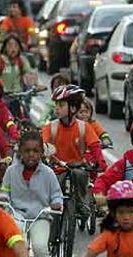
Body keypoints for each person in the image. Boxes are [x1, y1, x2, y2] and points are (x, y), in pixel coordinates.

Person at [0, 130, 63, 257]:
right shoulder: (11, 171)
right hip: (17, 214)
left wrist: (56, 204)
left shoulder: (48, 173)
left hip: (40, 216)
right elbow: (4, 190)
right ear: (20, 152)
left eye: (35, 151)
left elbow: (57, 194)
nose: (31, 155)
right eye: (27, 151)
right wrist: (3, 198)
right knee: (15, 245)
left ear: (42, 153)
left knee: (40, 246)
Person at [42, 84, 107, 219]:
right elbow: (42, 145)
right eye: (56, 105)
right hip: (57, 167)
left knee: (81, 176)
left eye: (61, 105)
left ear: (72, 108)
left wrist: (100, 162)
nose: (57, 108)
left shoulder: (84, 127)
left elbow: (95, 145)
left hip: (78, 165)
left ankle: (81, 203)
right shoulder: (50, 127)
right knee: (52, 185)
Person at [0, 34, 37, 117]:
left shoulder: (21, 60)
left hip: (17, 96)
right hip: (2, 97)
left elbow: (30, 74)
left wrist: (35, 84)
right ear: (5, 47)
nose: (13, 48)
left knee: (25, 117)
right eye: (10, 45)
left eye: (16, 45)